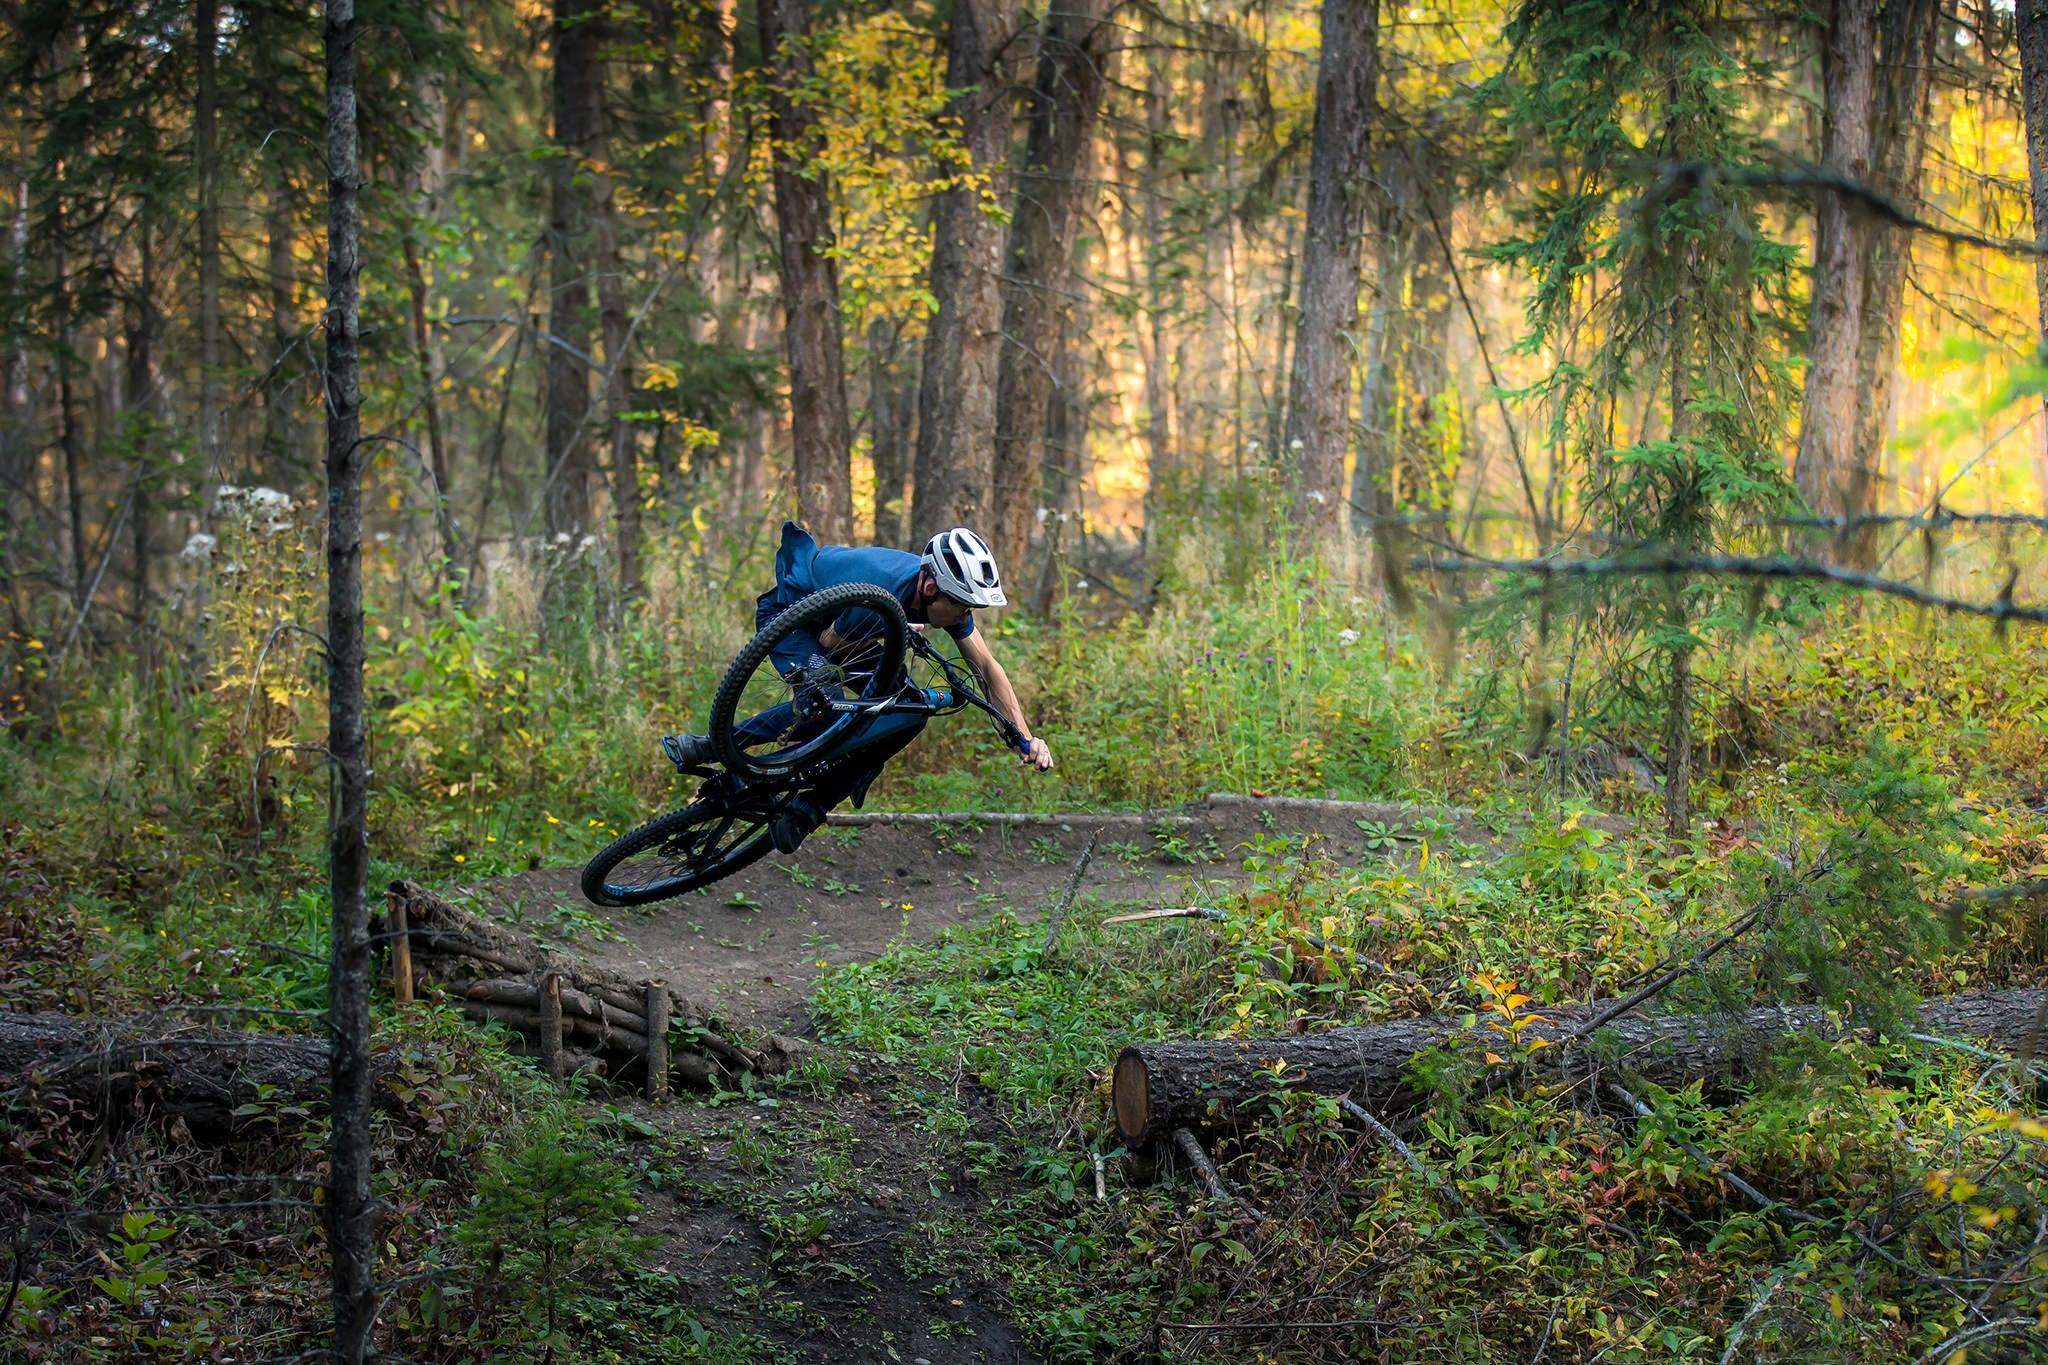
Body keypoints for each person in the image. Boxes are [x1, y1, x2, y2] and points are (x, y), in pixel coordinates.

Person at [664, 521, 1054, 853]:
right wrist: (894, 630)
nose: (965, 616)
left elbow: (986, 667)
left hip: (855, 632)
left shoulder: (935, 598)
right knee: (826, 701)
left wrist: (1024, 735)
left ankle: (810, 808)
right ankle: (711, 745)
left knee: (909, 714)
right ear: (931, 588)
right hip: (795, 621)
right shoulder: (883, 594)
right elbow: (833, 643)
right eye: (962, 606)